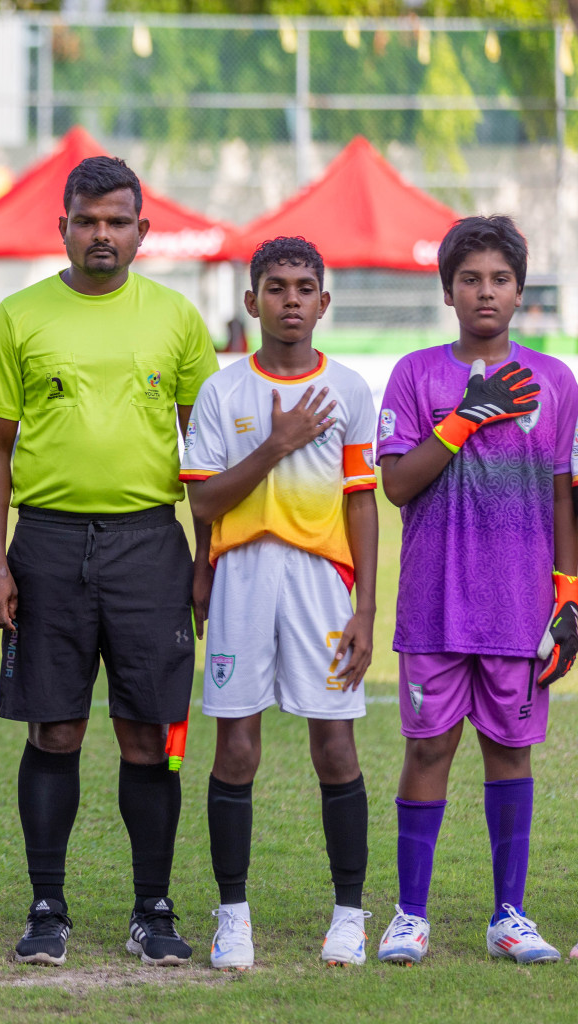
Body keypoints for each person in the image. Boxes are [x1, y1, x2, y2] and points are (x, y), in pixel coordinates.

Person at [0, 155, 218, 968]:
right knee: (57, 730)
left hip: (149, 543)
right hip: (45, 543)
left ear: (143, 231)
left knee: (151, 736)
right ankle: (47, 905)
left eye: (118, 221)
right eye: (88, 220)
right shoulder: (18, 316)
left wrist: (207, 557)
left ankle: (153, 905)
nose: (102, 234)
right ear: (64, 227)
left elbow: (205, 453)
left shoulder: (177, 319)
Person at [374, 216, 578, 966]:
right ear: (448, 290)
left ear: (520, 291)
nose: (484, 291)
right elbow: (395, 484)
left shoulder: (556, 382)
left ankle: (510, 917)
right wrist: (464, 417)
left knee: (511, 754)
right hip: (434, 604)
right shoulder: (416, 374)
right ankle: (409, 915)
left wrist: (569, 593)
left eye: (498, 278)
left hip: (520, 610)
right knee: (427, 750)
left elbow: (564, 495)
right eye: (470, 279)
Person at [180, 237, 378, 969]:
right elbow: (204, 501)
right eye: (276, 287)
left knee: (335, 745)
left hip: (322, 586)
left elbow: (362, 506)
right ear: (251, 301)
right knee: (236, 749)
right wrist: (274, 443)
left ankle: (350, 915)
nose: (290, 300)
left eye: (303, 287)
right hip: (241, 581)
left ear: (324, 302)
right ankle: (233, 916)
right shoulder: (223, 392)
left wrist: (366, 609)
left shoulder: (351, 389)